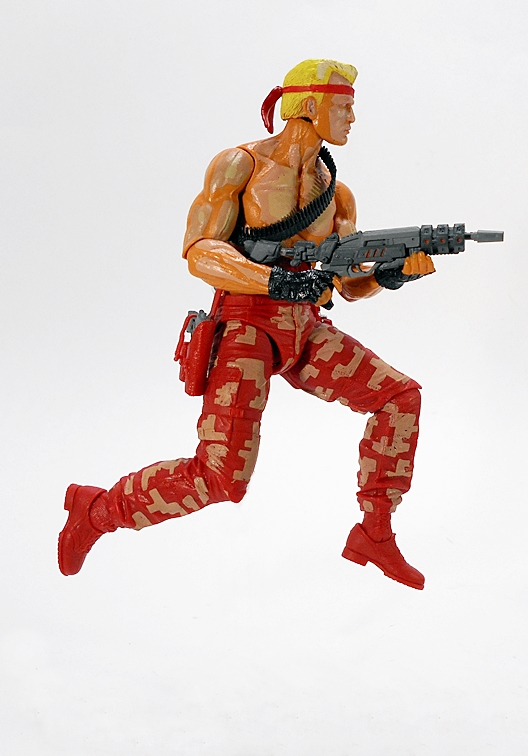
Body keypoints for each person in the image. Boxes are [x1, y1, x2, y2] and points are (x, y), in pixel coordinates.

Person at [58, 59, 435, 589]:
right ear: (310, 105)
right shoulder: (240, 165)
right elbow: (200, 250)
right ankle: (97, 511)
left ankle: (374, 531)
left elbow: (348, 285)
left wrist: (390, 276)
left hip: (304, 328)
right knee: (223, 477)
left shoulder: (338, 194)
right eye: (344, 105)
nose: (352, 117)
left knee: (399, 397)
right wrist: (274, 282)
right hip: (245, 325)